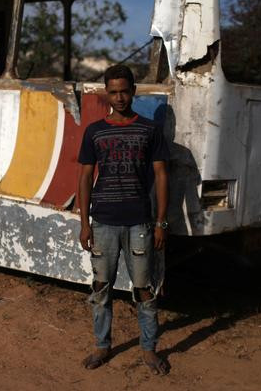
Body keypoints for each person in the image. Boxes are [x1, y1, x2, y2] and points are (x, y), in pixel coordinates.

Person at [77, 64, 169, 375]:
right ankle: (101, 346)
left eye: (124, 91)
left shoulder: (149, 130)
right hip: (103, 221)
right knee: (101, 288)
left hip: (139, 222)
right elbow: (85, 176)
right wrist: (84, 223)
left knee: (144, 289)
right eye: (113, 92)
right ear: (107, 93)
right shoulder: (94, 131)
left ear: (133, 91)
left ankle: (149, 349)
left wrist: (161, 222)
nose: (119, 97)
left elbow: (161, 175)